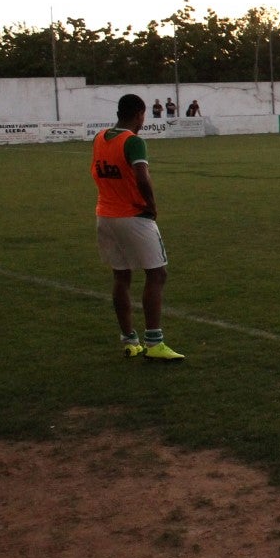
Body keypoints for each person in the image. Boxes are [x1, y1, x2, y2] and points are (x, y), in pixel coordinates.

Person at [91, 94, 184, 361]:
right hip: (132, 216)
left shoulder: (99, 138)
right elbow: (141, 175)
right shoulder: (133, 142)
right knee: (157, 274)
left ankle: (130, 340)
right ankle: (154, 342)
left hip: (105, 215)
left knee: (121, 276)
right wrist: (151, 205)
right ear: (139, 114)